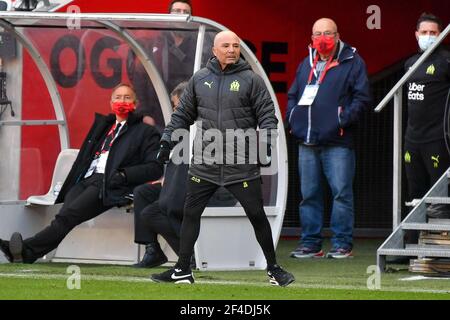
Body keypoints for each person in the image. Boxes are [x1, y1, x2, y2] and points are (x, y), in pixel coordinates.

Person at [150, 30, 295, 287]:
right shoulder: (199, 79)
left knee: (256, 216)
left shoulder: (252, 80)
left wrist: (266, 145)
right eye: (226, 45)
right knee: (190, 214)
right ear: (214, 50)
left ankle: (274, 269)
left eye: (236, 46)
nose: (231, 49)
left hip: (241, 164)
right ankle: (183, 269)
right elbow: (182, 114)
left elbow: (268, 116)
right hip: (205, 163)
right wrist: (166, 141)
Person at [0, 83, 163, 264]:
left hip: (110, 184)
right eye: (117, 97)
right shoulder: (103, 126)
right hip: (86, 180)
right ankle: (27, 253)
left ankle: (25, 249)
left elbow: (155, 168)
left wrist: (124, 175)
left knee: (67, 217)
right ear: (110, 102)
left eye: (127, 97)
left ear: (135, 103)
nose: (121, 101)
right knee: (65, 218)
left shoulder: (145, 132)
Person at [286, 18, 370, 259]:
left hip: (338, 142)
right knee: (308, 195)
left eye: (328, 33)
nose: (322, 38)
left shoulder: (353, 62)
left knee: (341, 194)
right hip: (307, 141)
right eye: (318, 33)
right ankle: (310, 244)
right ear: (311, 37)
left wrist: (341, 120)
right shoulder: (306, 63)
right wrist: (293, 117)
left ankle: (342, 243)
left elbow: (362, 99)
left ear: (338, 35)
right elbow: (293, 94)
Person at [132, 81, 189, 268]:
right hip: (176, 183)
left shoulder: (200, 126)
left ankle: (189, 255)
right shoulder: (177, 128)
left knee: (152, 212)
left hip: (194, 188)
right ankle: (152, 249)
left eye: (176, 106)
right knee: (142, 192)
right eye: (174, 107)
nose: (175, 110)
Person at [404, 13, 450, 219]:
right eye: (424, 32)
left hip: (437, 138)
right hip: (412, 138)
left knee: (438, 196)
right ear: (416, 34)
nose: (428, 36)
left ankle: (437, 246)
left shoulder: (446, 61)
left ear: (441, 35)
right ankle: (412, 243)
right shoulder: (410, 64)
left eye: (433, 33)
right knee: (415, 191)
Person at [130, 0, 198, 128]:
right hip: (157, 116)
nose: (181, 15)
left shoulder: (199, 45)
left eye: (186, 12)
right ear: (168, 16)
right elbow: (140, 79)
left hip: (187, 116)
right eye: (177, 11)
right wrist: (145, 113)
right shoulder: (155, 43)